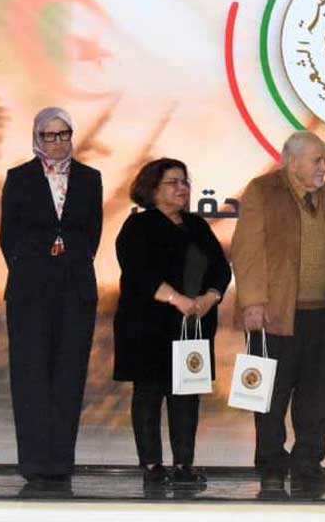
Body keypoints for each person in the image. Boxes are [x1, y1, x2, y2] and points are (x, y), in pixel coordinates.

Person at [231, 131, 325, 493]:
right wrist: (252, 302)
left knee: (316, 401)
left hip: (320, 316)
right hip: (273, 315)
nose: (324, 167)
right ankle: (271, 465)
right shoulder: (262, 191)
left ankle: (308, 466)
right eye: (317, 160)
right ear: (292, 162)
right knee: (269, 397)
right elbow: (247, 250)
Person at [0, 107, 102, 490]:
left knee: (68, 375)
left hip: (75, 288)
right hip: (30, 290)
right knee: (30, 375)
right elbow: (8, 236)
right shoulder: (19, 178)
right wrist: (35, 264)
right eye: (49, 135)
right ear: (37, 137)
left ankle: (60, 462)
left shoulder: (90, 178)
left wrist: (69, 261)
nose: (57, 142)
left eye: (63, 134)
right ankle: (34, 462)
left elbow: (92, 233)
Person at [114, 158, 231, 487]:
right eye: (173, 182)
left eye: (185, 182)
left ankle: (183, 465)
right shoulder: (137, 226)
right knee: (149, 394)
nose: (182, 188)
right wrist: (177, 299)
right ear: (152, 189)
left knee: (187, 396)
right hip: (147, 326)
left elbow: (221, 268)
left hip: (192, 326)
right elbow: (138, 272)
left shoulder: (197, 225)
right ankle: (152, 466)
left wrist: (210, 296)